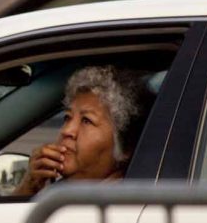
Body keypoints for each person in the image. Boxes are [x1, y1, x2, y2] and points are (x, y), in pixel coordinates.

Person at [14, 66, 153, 196]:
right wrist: (29, 186)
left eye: (86, 121)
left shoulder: (121, 206)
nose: (67, 131)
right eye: (67, 117)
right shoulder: (65, 192)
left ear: (126, 147)